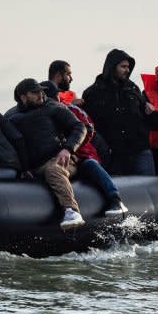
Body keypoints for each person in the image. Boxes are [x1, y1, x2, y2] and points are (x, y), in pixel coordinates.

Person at [5, 78, 88, 230]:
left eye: (41, 91)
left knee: (53, 169)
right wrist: (22, 169)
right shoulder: (11, 117)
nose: (41, 94)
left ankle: (72, 211)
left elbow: (79, 127)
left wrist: (68, 149)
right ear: (23, 97)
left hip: (61, 160)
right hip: (33, 167)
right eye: (35, 92)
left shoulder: (53, 107)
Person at [41, 79, 127, 216]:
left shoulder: (70, 109)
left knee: (91, 164)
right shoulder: (40, 116)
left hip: (81, 155)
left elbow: (87, 128)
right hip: (60, 161)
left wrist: (71, 145)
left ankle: (115, 199)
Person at [81, 49, 158, 175]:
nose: (127, 70)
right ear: (112, 67)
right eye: (123, 66)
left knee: (147, 189)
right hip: (114, 155)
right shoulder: (92, 93)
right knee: (121, 191)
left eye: (128, 67)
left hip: (140, 150)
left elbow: (147, 115)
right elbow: (87, 125)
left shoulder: (133, 88)